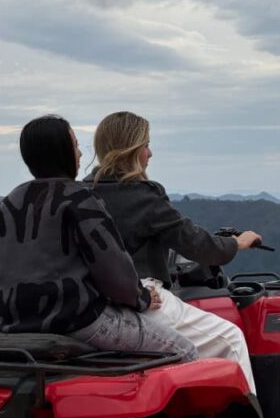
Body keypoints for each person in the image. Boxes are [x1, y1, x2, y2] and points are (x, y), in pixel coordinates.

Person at [0, 114, 198, 362]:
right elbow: (114, 271)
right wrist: (143, 299)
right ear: (61, 152)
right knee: (186, 352)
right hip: (82, 322)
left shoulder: (5, 206)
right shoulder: (80, 200)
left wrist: (18, 311)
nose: (81, 154)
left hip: (13, 327)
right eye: (74, 145)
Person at [87, 110, 261, 395]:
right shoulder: (143, 196)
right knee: (230, 338)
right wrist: (237, 243)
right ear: (131, 150)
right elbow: (197, 244)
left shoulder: (82, 192)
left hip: (90, 303)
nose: (150, 153)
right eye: (145, 145)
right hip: (142, 298)